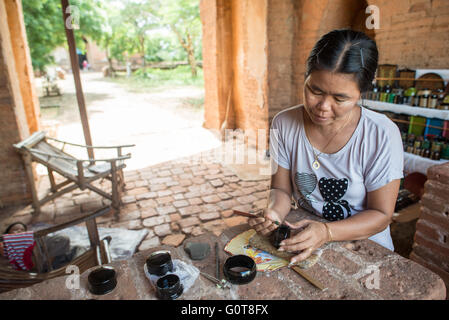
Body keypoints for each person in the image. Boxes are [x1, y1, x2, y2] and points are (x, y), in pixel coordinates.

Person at [248, 29, 404, 265]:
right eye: (315, 90)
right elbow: (280, 190)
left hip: (365, 245)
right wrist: (274, 213)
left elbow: (381, 215)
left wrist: (327, 232)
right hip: (304, 236)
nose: (323, 106)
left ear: (361, 93)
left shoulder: (381, 134)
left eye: (340, 99)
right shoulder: (284, 123)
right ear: (306, 77)